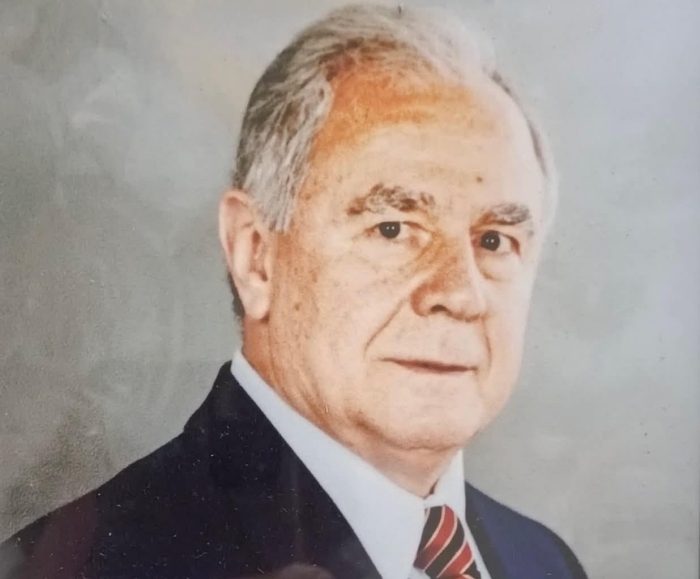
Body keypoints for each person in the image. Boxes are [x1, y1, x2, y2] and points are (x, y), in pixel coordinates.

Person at [2, 4, 588, 579]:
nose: (460, 295)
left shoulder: (541, 561)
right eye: (393, 229)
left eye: (494, 241)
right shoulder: (88, 565)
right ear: (255, 255)